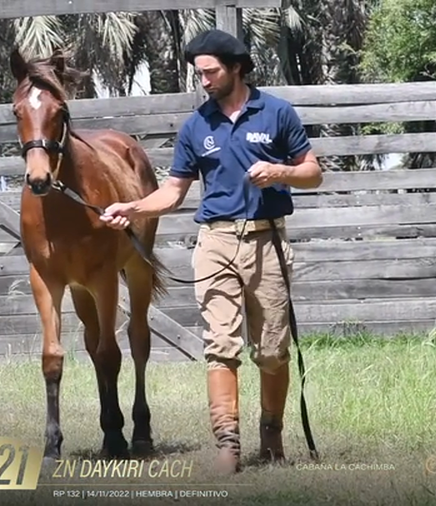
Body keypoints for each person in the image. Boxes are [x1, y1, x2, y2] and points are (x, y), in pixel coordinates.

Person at [99, 28, 323, 474]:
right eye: (198, 72)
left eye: (210, 71)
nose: (203, 80)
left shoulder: (276, 112)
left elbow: (313, 172)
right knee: (220, 345)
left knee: (273, 350)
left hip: (267, 241)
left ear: (236, 67)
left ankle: (272, 438)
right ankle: (228, 445)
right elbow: (174, 192)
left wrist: (280, 170)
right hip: (215, 242)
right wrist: (132, 206)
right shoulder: (197, 124)